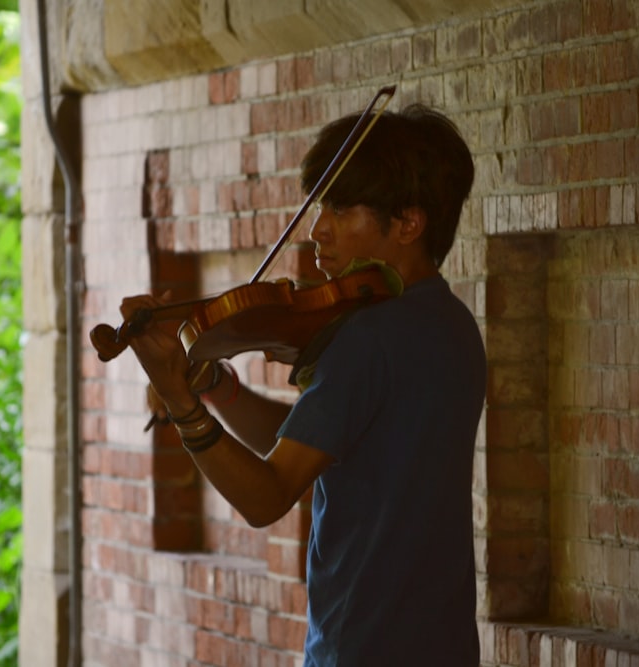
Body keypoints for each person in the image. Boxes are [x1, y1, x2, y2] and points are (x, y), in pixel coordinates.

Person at [121, 103, 485, 666]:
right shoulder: (453, 325)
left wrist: (180, 403)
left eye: (340, 209)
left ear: (409, 223)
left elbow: (266, 496)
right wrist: (215, 385)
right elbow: (312, 441)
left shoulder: (370, 338)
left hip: (362, 647)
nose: (319, 230)